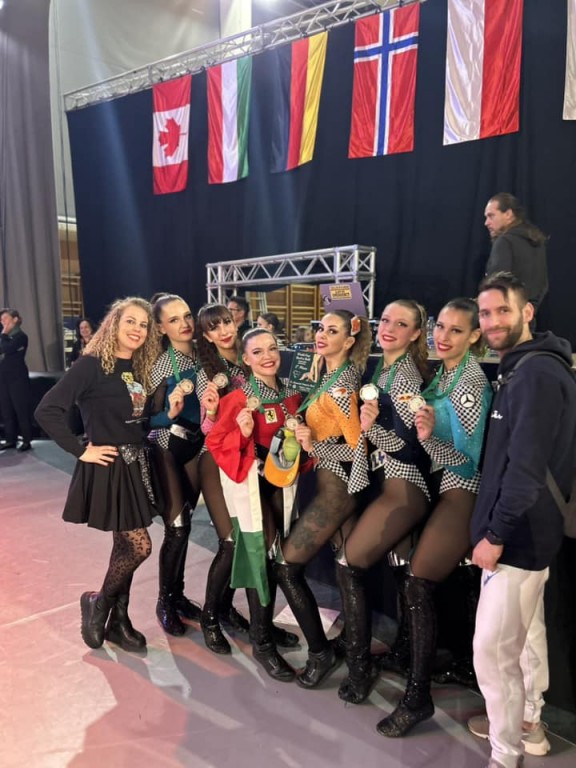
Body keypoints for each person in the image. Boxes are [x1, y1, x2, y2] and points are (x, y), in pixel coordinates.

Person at [468, 272, 576, 768]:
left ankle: (505, 753)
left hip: (520, 536)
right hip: (530, 531)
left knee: (493, 655)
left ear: (527, 312)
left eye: (502, 311)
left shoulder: (535, 374)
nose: (492, 321)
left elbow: (526, 469)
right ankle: (529, 725)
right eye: (485, 312)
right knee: (527, 636)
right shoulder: (527, 367)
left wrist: (495, 534)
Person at [374, 299, 493, 737]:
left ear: (474, 336)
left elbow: (468, 460)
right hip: (444, 488)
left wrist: (425, 438)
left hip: (464, 489)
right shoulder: (445, 374)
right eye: (440, 327)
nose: (442, 336)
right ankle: (456, 665)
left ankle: (417, 698)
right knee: (424, 578)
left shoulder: (470, 382)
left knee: (418, 582)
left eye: (456, 330)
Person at [34, 297, 161, 652]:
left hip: (136, 464)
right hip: (109, 465)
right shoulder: (90, 366)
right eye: (130, 321)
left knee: (124, 545)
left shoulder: (137, 366)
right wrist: (81, 450)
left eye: (144, 325)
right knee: (140, 546)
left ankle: (119, 621)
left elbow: (135, 416)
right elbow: (46, 410)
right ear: (114, 323)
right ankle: (98, 602)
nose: (137, 329)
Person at [334, 300, 432, 706]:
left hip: (403, 486)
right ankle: (403, 656)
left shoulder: (405, 374)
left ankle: (359, 671)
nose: (389, 328)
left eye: (401, 324)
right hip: (390, 485)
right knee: (402, 572)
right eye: (386, 320)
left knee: (348, 565)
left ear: (416, 334)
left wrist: (371, 430)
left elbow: (410, 449)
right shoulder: (384, 368)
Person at [272, 310, 373, 688]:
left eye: (332, 331)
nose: (321, 335)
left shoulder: (342, 385)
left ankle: (321, 652)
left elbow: (359, 448)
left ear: (349, 341)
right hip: (332, 486)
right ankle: (359, 666)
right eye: (320, 328)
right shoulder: (331, 375)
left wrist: (315, 445)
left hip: (338, 490)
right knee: (348, 572)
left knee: (286, 566)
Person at [206, 328, 310, 681]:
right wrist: (244, 433)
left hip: (281, 485)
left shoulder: (292, 396)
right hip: (250, 483)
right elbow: (217, 442)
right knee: (259, 554)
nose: (267, 356)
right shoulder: (237, 399)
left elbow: (299, 448)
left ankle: (261, 628)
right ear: (246, 359)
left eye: (272, 348)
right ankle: (261, 642)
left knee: (276, 554)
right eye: (258, 351)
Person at [148, 294, 203, 636]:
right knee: (177, 526)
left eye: (187, 316)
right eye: (174, 320)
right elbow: (146, 418)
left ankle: (178, 596)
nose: (184, 324)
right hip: (167, 445)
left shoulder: (203, 355)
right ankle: (165, 602)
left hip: (197, 445)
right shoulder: (160, 365)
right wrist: (168, 412)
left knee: (187, 522)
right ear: (160, 328)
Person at [484, 193, 548, 315]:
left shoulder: (504, 241)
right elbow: (543, 285)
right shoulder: (537, 242)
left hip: (505, 318)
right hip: (529, 316)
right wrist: (528, 312)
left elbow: (497, 285)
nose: (486, 222)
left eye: (491, 216)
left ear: (508, 214)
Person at [0, 308, 33, 452]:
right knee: (6, 409)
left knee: (20, 409)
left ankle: (26, 440)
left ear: (15, 319)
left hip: (17, 378)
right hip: (3, 378)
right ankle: (10, 439)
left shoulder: (21, 336)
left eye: (5, 318)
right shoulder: (3, 336)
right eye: (1, 320)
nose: (3, 322)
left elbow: (6, 349)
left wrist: (4, 335)